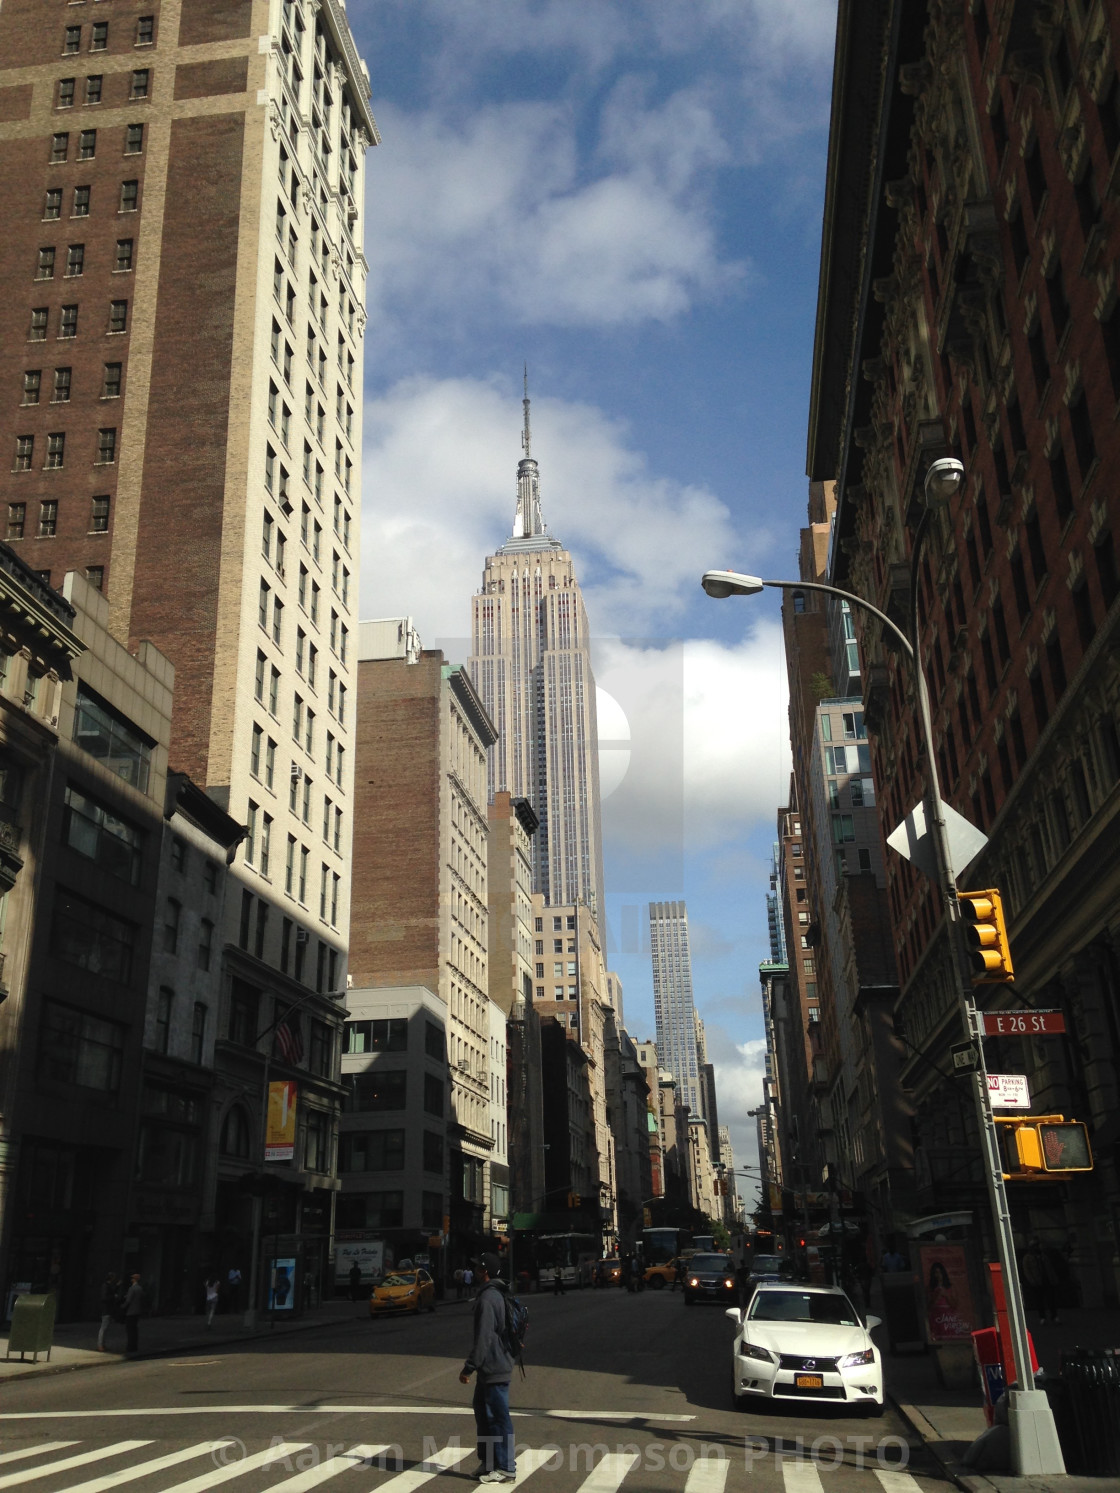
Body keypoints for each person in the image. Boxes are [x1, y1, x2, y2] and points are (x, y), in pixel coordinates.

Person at [459, 1252, 516, 1484]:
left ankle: (506, 1467)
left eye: (476, 1268)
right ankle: (489, 1462)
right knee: (483, 1413)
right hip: (491, 1367)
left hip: (494, 1366)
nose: (473, 1271)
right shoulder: (492, 1294)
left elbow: (484, 1339)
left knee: (498, 1418)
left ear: (485, 1272)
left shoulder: (488, 1299)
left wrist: (469, 1367)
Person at [122, 1272, 144, 1355]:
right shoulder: (140, 1289)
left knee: (130, 1330)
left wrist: (122, 1306)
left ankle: (130, 1347)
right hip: (137, 1311)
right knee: (135, 1330)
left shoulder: (132, 1289)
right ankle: (134, 1346)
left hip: (130, 1312)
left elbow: (128, 1300)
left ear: (133, 1280)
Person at [97, 1271, 119, 1352]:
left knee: (105, 1328)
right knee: (103, 1328)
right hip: (106, 1309)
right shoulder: (105, 1286)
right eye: (113, 1277)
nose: (114, 1279)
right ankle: (100, 1345)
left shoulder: (108, 1285)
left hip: (108, 1309)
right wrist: (113, 1296)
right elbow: (104, 1297)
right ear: (111, 1277)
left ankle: (102, 1344)